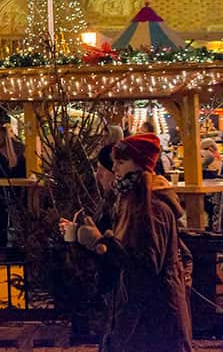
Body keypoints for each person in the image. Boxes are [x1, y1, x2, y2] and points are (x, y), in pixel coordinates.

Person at [61, 133, 192, 352]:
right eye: (114, 163)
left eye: (121, 162)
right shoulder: (130, 201)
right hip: (136, 314)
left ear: (140, 165)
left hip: (153, 319)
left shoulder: (153, 208)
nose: (115, 169)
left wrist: (100, 243)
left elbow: (145, 265)